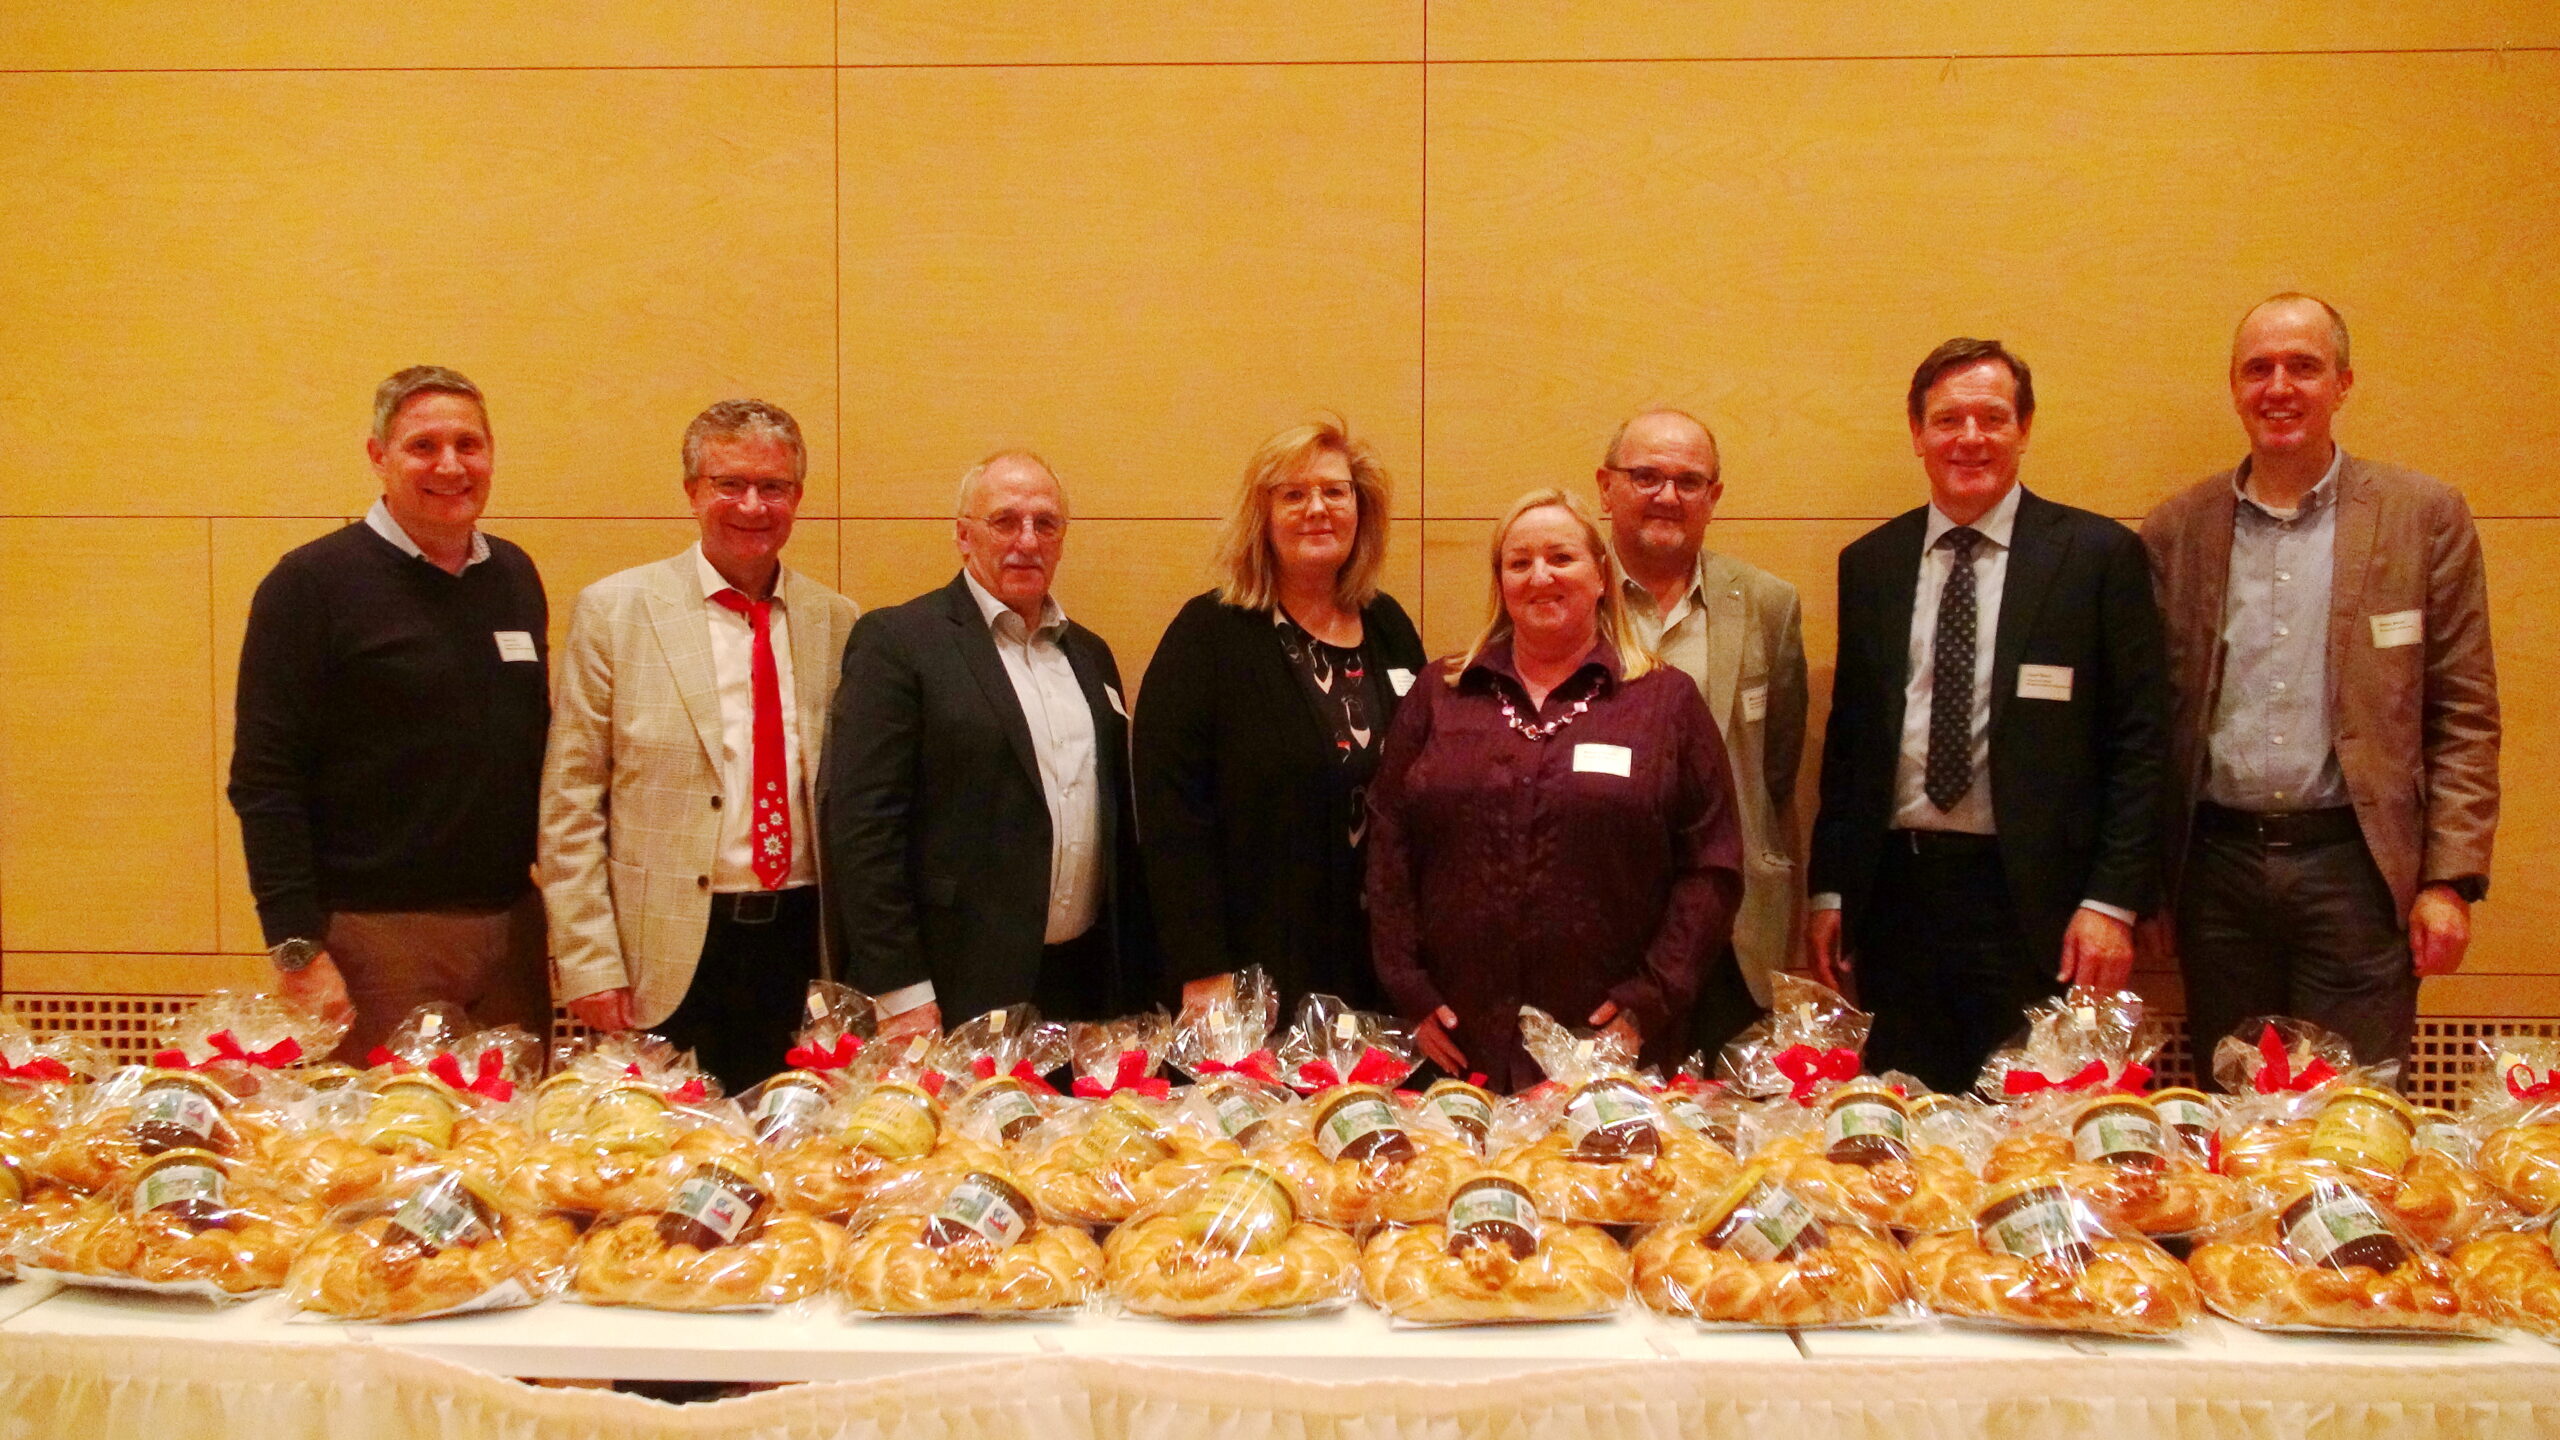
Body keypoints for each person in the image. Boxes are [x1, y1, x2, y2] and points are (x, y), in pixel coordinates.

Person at [2139, 294, 2498, 1078]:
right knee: (2237, 1112)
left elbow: (2465, 713)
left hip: (2358, 873)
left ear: (2343, 384)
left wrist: (2449, 880)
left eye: (2304, 367)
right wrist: (2146, 883)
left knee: (2353, 1113)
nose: (2279, 387)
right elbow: (2148, 723)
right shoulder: (2177, 530)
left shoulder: (2422, 517)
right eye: (2258, 368)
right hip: (2216, 876)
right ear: (2234, 387)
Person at [1807, 338, 2167, 1095]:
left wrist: (2112, 902)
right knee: (1906, 1120)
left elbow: (2141, 742)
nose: (1969, 438)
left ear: (2024, 428)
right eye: (1948, 420)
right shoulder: (1870, 564)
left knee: (2032, 1125)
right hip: (1897, 902)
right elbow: (1852, 743)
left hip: (2041, 908)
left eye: (1992, 418)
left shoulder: (2097, 556)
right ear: (1917, 433)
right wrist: (1831, 889)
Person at [1367, 489, 1744, 1092]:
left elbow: (1713, 865)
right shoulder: (1440, 693)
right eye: (1519, 562)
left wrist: (1652, 996)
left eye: (1561, 558)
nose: (1540, 576)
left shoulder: (1666, 702)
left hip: (1609, 1046)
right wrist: (1407, 987)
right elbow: (1389, 842)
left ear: (1601, 576)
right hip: (1457, 1042)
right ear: (1501, 583)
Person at [229, 366, 551, 1062]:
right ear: (378, 455)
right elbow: (264, 779)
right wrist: (296, 950)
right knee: (392, 1128)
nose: (450, 466)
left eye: (468, 445)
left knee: (514, 1128)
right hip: (375, 942)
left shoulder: (514, 576)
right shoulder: (309, 585)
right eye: (423, 446)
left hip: (513, 932)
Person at [539, 400, 859, 1092]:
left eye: (772, 486)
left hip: (802, 942)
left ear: (798, 498)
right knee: (666, 1145)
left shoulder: (837, 622)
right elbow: (571, 805)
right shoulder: (616, 612)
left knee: (795, 1137)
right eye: (729, 484)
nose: (752, 505)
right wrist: (589, 963)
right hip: (664, 951)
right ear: (691, 492)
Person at [821, 451, 1154, 1036]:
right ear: (964, 536)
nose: (1027, 540)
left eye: (1045, 523)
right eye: (1005, 521)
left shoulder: (1090, 654)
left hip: (1085, 982)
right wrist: (900, 989)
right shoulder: (899, 642)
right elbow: (863, 828)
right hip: (954, 985)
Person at [1134, 418, 1427, 1020]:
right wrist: (1202, 967)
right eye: (1293, 494)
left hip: (1374, 960)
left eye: (1335, 491)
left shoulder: (1390, 627)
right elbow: (1170, 815)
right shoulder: (1208, 635)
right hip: (1252, 967)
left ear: (1361, 510)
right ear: (1262, 517)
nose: (1317, 509)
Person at [1596, 407, 1808, 1055]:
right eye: (1646, 476)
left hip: (1731, 930)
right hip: (1604, 921)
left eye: (1689, 481)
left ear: (1713, 498)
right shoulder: (1567, 595)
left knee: (1731, 1111)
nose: (1668, 496)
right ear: (1606, 487)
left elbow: (1775, 768)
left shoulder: (1768, 604)